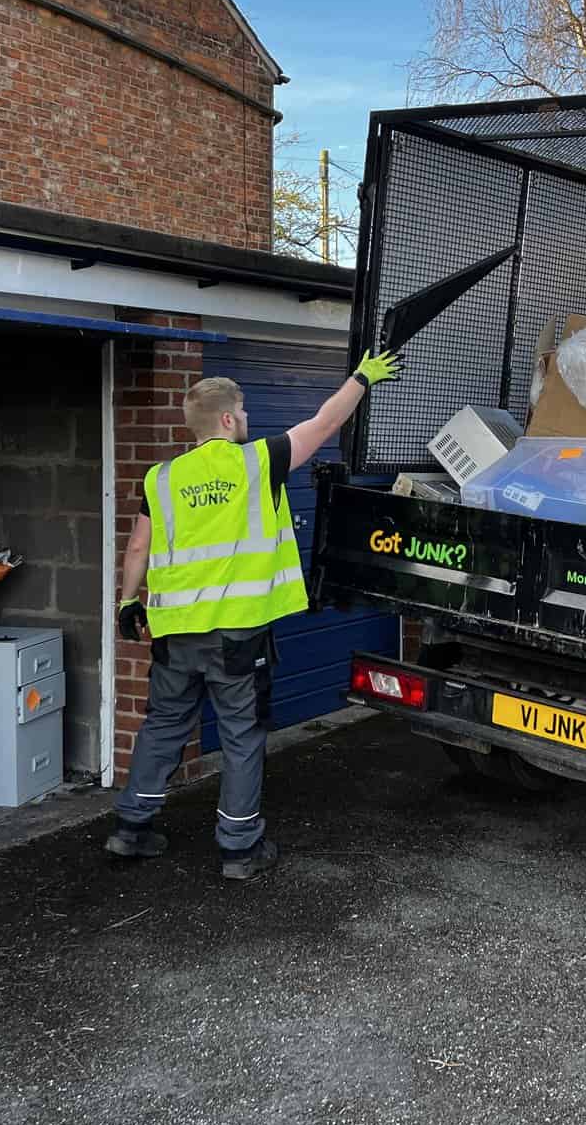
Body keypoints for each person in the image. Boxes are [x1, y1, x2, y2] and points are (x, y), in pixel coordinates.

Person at [107, 349, 402, 880]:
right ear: (227, 418)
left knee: (164, 725)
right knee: (243, 734)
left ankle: (131, 827)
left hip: (175, 633)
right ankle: (239, 848)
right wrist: (362, 376)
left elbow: (137, 548)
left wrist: (129, 601)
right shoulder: (259, 460)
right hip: (237, 634)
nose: (247, 420)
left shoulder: (162, 478)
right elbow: (327, 421)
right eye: (242, 412)